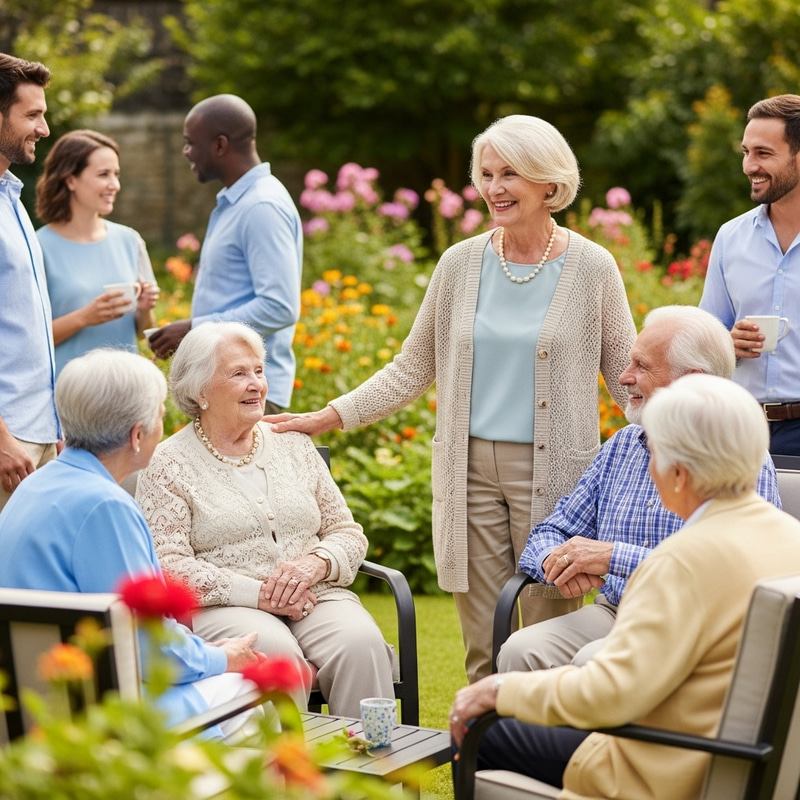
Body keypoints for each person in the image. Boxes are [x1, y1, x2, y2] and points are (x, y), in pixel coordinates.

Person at [269, 115, 636, 683]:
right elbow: (414, 366)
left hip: (559, 473)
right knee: (484, 638)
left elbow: (627, 375)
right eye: (486, 174)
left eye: (509, 173)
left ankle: (539, 752)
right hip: (468, 473)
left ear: (548, 182)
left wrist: (678, 431)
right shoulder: (460, 264)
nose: (493, 188)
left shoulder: (592, 268)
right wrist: (329, 416)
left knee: (547, 633)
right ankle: (480, 758)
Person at [450, 373, 800, 800]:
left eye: (654, 454)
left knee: (481, 732)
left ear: (678, 471)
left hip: (663, 764)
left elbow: (608, 695)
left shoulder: (682, 560)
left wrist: (498, 689)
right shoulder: (789, 538)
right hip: (743, 757)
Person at [498, 305, 781, 674]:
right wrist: (560, 560)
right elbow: (552, 531)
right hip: (616, 610)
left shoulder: (739, 455)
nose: (623, 377)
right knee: (520, 649)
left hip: (694, 625)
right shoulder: (624, 445)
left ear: (691, 379)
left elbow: (732, 573)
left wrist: (613, 557)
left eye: (642, 366)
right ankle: (530, 735)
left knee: (593, 661)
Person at [0, 348, 263, 741]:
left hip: (25, 703)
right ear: (137, 435)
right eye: (160, 413)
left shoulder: (37, 484)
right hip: (93, 714)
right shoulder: (105, 506)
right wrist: (223, 656)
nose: (165, 422)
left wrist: (201, 653)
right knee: (250, 693)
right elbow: (151, 649)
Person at [136, 321, 394, 717]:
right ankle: (286, 775)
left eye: (258, 370)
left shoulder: (294, 445)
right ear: (199, 391)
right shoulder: (167, 463)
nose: (256, 383)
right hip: (226, 605)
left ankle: (369, 772)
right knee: (276, 655)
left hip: (315, 594)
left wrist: (315, 564)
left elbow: (347, 532)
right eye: (238, 373)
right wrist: (259, 595)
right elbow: (169, 565)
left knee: (361, 644)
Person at [148, 94, 302, 415]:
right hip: (227, 389)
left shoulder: (261, 206)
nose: (185, 151)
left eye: (191, 142)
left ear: (220, 145)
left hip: (248, 393)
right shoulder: (239, 202)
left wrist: (194, 329)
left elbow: (280, 307)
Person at [700, 94, 800, 456]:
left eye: (763, 153)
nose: (748, 165)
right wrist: (727, 344)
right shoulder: (731, 237)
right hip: (740, 429)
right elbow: (703, 341)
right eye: (745, 152)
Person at [35, 129, 159, 377]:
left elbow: (142, 329)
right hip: (69, 394)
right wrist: (84, 317)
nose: (115, 185)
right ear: (70, 180)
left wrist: (144, 309)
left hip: (127, 388)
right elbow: (30, 340)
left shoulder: (129, 240)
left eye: (116, 174)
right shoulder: (38, 246)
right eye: (104, 174)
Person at [0, 53, 60, 513]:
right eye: (32, 115)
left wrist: (53, 427)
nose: (44, 128)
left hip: (36, 435)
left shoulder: (14, 201)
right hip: (7, 440)